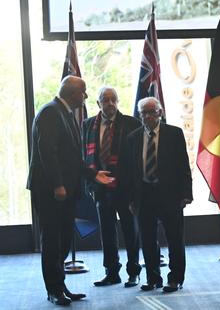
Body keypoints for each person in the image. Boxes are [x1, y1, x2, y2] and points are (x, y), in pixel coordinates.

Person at [27, 76, 114, 306]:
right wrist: (57, 184)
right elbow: (48, 152)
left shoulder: (64, 114)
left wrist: (94, 174)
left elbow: (72, 157)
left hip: (65, 191)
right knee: (53, 240)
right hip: (50, 190)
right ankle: (53, 290)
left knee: (64, 238)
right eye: (82, 92)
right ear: (71, 92)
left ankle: (60, 285)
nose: (85, 97)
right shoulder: (50, 112)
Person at [126, 97, 193, 292]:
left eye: (151, 112)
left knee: (174, 238)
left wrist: (186, 193)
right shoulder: (133, 137)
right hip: (144, 195)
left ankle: (175, 278)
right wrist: (131, 199)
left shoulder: (174, 133)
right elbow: (130, 172)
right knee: (147, 239)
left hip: (170, 194)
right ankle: (153, 277)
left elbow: (183, 165)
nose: (147, 116)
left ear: (160, 113)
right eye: (143, 113)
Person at [82, 86, 142, 287]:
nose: (110, 103)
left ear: (117, 102)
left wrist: (135, 189)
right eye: (105, 100)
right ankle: (112, 272)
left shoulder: (131, 124)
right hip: (100, 189)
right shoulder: (88, 125)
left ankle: (134, 271)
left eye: (113, 99)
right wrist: (90, 184)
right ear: (98, 103)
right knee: (107, 232)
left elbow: (137, 159)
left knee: (130, 231)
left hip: (125, 188)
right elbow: (84, 157)